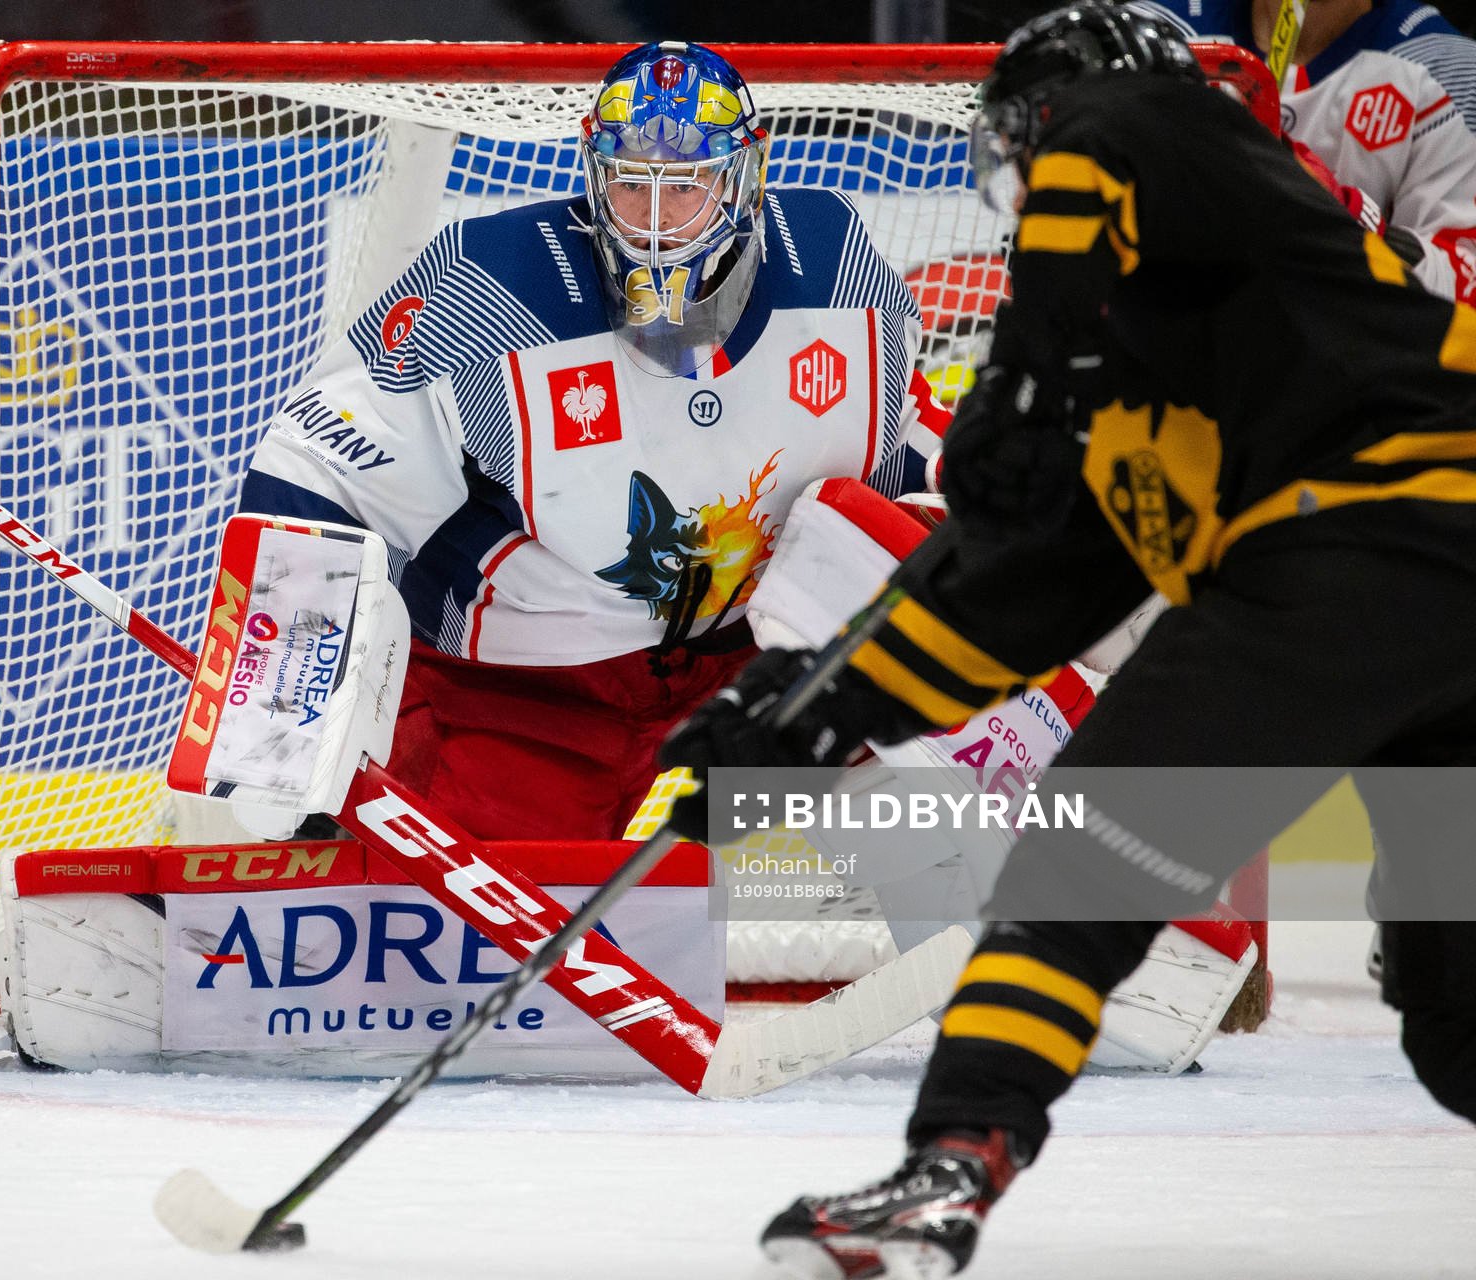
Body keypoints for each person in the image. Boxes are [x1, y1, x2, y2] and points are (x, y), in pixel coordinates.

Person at [658, 4, 1476, 1276]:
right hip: (1433, 625)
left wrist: (1030, 375)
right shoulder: (1147, 390)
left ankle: (950, 1165)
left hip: (1366, 545)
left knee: (1078, 864)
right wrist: (804, 715)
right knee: (1460, 1015)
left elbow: (1103, 139)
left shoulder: (1162, 130)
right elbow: (1008, 603)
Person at [234, 40, 949, 841]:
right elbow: (317, 464)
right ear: (592, 171)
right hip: (528, 694)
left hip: (759, 670)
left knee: (942, 773)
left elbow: (906, 452)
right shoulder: (492, 290)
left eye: (685, 186)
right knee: (447, 942)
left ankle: (1038, 927)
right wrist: (285, 722)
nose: (653, 224)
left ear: (749, 175)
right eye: (630, 186)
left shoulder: (843, 277)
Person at [1137, 0, 1476, 303]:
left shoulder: (1451, 70)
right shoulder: (1149, 32)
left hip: (1342, 355)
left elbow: (1465, 291)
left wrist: (1338, 218)